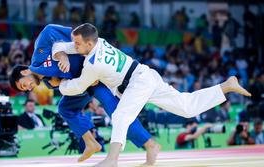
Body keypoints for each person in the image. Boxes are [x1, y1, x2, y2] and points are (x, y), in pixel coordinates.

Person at [54, 23, 251, 167]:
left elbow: (77, 87)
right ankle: (225, 87)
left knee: (121, 116)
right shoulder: (100, 42)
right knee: (187, 107)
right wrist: (61, 53)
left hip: (137, 82)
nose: (75, 47)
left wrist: (61, 84)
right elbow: (62, 46)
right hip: (145, 76)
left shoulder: (92, 63)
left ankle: (111, 160)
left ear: (89, 43)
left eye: (78, 44)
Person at [9, 24, 160, 165]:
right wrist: (64, 82)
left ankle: (149, 144)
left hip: (97, 69)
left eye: (24, 84)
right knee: (65, 107)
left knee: (117, 112)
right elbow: (72, 87)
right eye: (25, 89)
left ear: (25, 72)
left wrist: (61, 54)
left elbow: (49, 31)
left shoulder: (38, 54)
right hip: (86, 83)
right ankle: (90, 142)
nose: (28, 88)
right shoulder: (48, 82)